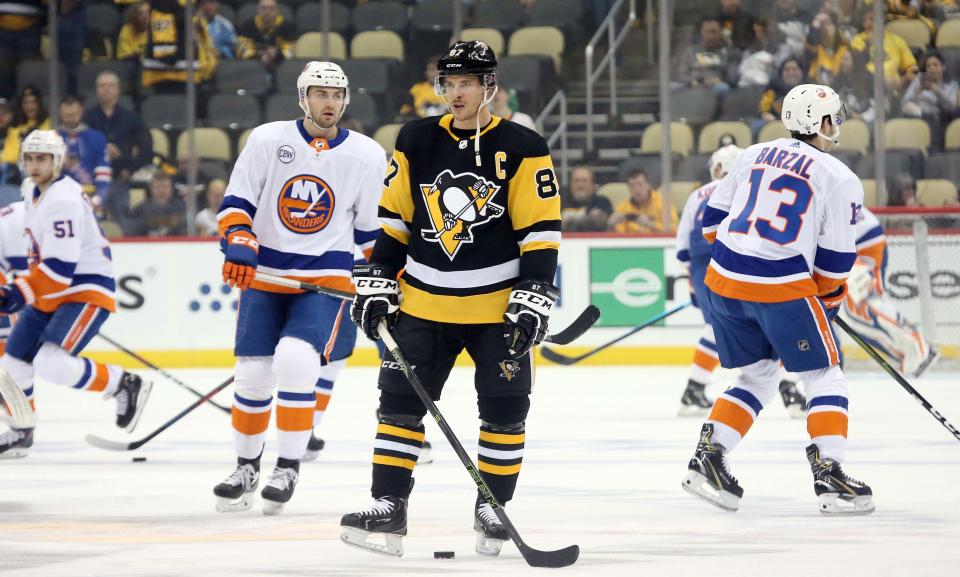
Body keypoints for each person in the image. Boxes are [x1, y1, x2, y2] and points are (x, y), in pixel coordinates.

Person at [340, 40, 561, 558]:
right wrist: (378, 280)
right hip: (422, 304)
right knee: (397, 407)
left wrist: (532, 294)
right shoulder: (415, 138)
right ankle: (389, 507)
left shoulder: (524, 146)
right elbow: (394, 221)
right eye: (450, 83)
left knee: (505, 410)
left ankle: (492, 508)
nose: (455, 93)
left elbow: (541, 232)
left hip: (495, 310)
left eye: (467, 83)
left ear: (490, 88)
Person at [681, 84, 874, 515]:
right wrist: (824, 302)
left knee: (758, 376)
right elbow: (836, 262)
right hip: (781, 285)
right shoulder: (840, 177)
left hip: (724, 283)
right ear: (821, 123)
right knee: (825, 375)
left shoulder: (751, 154)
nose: (837, 124)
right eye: (834, 116)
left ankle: (708, 457)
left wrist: (742, 261)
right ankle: (830, 471)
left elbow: (711, 223)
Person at [212, 62, 384, 515]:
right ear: (302, 98)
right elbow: (236, 204)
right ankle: (246, 466)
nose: (328, 103)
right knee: (251, 373)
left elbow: (370, 233)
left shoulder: (366, 155)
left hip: (325, 283)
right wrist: (240, 244)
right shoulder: (267, 140)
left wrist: (382, 282)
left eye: (335, 95)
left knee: (296, 360)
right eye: (319, 93)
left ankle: (287, 466)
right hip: (264, 277)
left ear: (345, 101)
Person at [0, 130, 152, 458]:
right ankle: (21, 428)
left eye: (42, 158)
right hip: (52, 290)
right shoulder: (31, 189)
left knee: (50, 363)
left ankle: (122, 384)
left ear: (57, 161)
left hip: (84, 286)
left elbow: (59, 269)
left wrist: (18, 291)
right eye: (30, 157)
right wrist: (23, 288)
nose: (35, 164)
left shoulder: (63, 201)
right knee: (12, 360)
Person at [675, 144, 807, 418]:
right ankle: (788, 387)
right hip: (740, 260)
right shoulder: (751, 188)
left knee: (717, 325)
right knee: (773, 322)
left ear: (716, 168)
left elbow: (684, 246)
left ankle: (694, 387)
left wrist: (693, 280)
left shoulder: (697, 195)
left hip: (704, 266)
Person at [840, 206, 939, 377]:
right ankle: (906, 355)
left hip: (864, 239)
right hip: (849, 240)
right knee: (854, 315)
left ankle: (921, 347)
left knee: (867, 302)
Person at [83, 71, 154, 182]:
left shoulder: (132, 118)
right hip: (91, 177)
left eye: (110, 85)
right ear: (97, 90)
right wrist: (102, 148)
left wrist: (130, 170)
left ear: (118, 90)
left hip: (122, 177)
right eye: (102, 86)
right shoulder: (86, 118)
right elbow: (80, 145)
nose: (106, 89)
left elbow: (146, 148)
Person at [58, 96, 112, 216]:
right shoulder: (52, 139)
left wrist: (99, 198)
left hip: (89, 197)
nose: (71, 119)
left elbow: (103, 172)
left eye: (74, 114)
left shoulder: (97, 138)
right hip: (59, 199)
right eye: (67, 115)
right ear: (60, 114)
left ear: (81, 112)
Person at [676, 16, 741, 94]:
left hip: (717, 88)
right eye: (707, 32)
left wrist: (720, 80)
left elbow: (733, 77)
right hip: (692, 87)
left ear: (720, 32)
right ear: (701, 32)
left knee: (723, 87)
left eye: (714, 32)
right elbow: (681, 74)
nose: (710, 36)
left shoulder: (729, 52)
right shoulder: (690, 51)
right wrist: (692, 81)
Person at [608, 169, 678, 234]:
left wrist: (651, 225)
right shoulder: (622, 207)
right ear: (628, 188)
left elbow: (675, 229)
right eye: (632, 186)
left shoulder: (663, 203)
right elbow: (620, 236)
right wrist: (611, 226)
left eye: (640, 184)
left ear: (648, 185)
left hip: (657, 243)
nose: (637, 189)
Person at [1, 86, 51, 174]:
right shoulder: (15, 129)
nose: (29, 107)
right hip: (17, 175)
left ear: (39, 104)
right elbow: (8, 157)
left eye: (33, 102)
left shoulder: (49, 124)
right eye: (26, 103)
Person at [236, 0, 294, 71]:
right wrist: (260, 56)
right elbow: (243, 50)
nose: (267, 12)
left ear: (277, 11)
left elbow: (290, 51)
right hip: (252, 67)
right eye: (263, 8)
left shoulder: (287, 26)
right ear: (258, 10)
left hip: (279, 65)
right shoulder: (247, 25)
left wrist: (276, 54)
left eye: (271, 8)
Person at [126, 171, 187, 237]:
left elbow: (186, 231)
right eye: (157, 187)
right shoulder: (140, 210)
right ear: (151, 189)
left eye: (165, 187)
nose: (161, 191)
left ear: (171, 188)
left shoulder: (182, 208)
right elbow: (132, 233)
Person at [561, 165, 612, 232]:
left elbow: (603, 224)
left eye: (584, 181)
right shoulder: (560, 202)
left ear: (592, 185)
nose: (580, 185)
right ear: (570, 184)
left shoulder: (602, 202)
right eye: (576, 181)